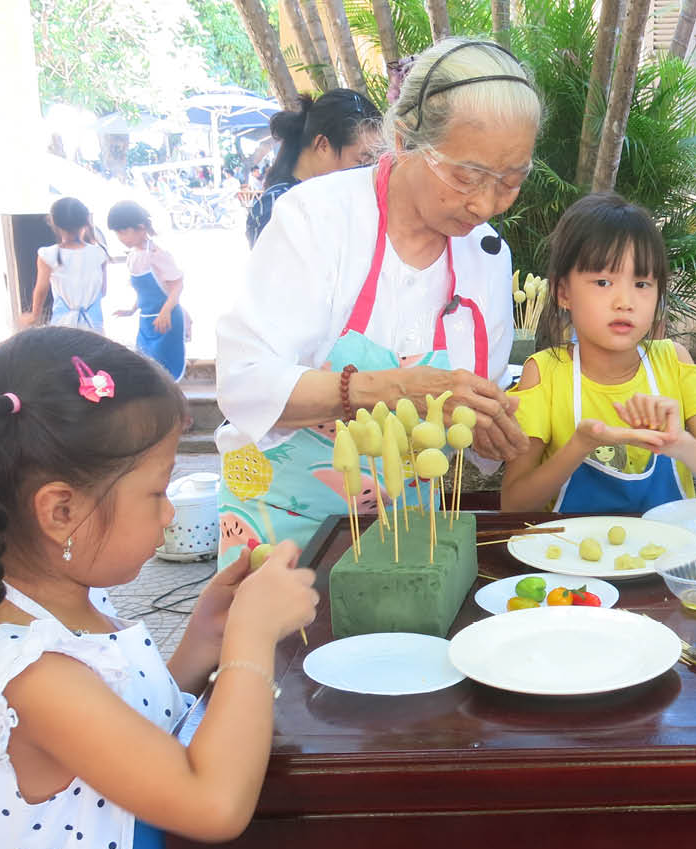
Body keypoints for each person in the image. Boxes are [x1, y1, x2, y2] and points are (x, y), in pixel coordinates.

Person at [0, 327, 317, 849]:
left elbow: (127, 732)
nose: (169, 511)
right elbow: (213, 803)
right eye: (156, 491)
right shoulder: (33, 672)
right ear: (62, 512)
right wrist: (252, 639)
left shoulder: (74, 614)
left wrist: (205, 638)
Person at [215, 39, 539, 566]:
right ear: (407, 137)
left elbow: (474, 413)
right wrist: (399, 387)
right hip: (281, 529)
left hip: (409, 534)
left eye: (510, 183)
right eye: (466, 176)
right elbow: (245, 383)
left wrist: (496, 422)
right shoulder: (318, 218)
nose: (484, 204)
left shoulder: (487, 255)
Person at [500, 194, 696, 512]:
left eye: (642, 284)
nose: (625, 301)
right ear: (563, 292)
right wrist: (580, 445)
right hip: (574, 558)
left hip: (669, 555)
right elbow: (514, 504)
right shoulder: (545, 371)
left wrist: (679, 444)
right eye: (603, 282)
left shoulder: (674, 362)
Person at [245, 89, 382, 247]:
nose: (369, 173)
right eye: (362, 162)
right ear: (322, 145)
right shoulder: (277, 208)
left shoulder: (337, 200)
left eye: (374, 163)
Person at [108, 201, 187, 381]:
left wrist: (166, 311)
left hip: (166, 320)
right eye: (117, 233)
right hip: (146, 319)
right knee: (148, 369)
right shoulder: (134, 255)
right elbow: (144, 291)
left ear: (141, 228)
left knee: (165, 372)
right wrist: (132, 309)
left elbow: (177, 285)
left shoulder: (157, 254)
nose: (120, 237)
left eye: (123, 231)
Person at [21, 197, 109, 332]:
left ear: (53, 222)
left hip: (63, 325)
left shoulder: (48, 254)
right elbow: (102, 291)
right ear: (86, 220)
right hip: (94, 325)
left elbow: (41, 289)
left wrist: (34, 316)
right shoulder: (99, 253)